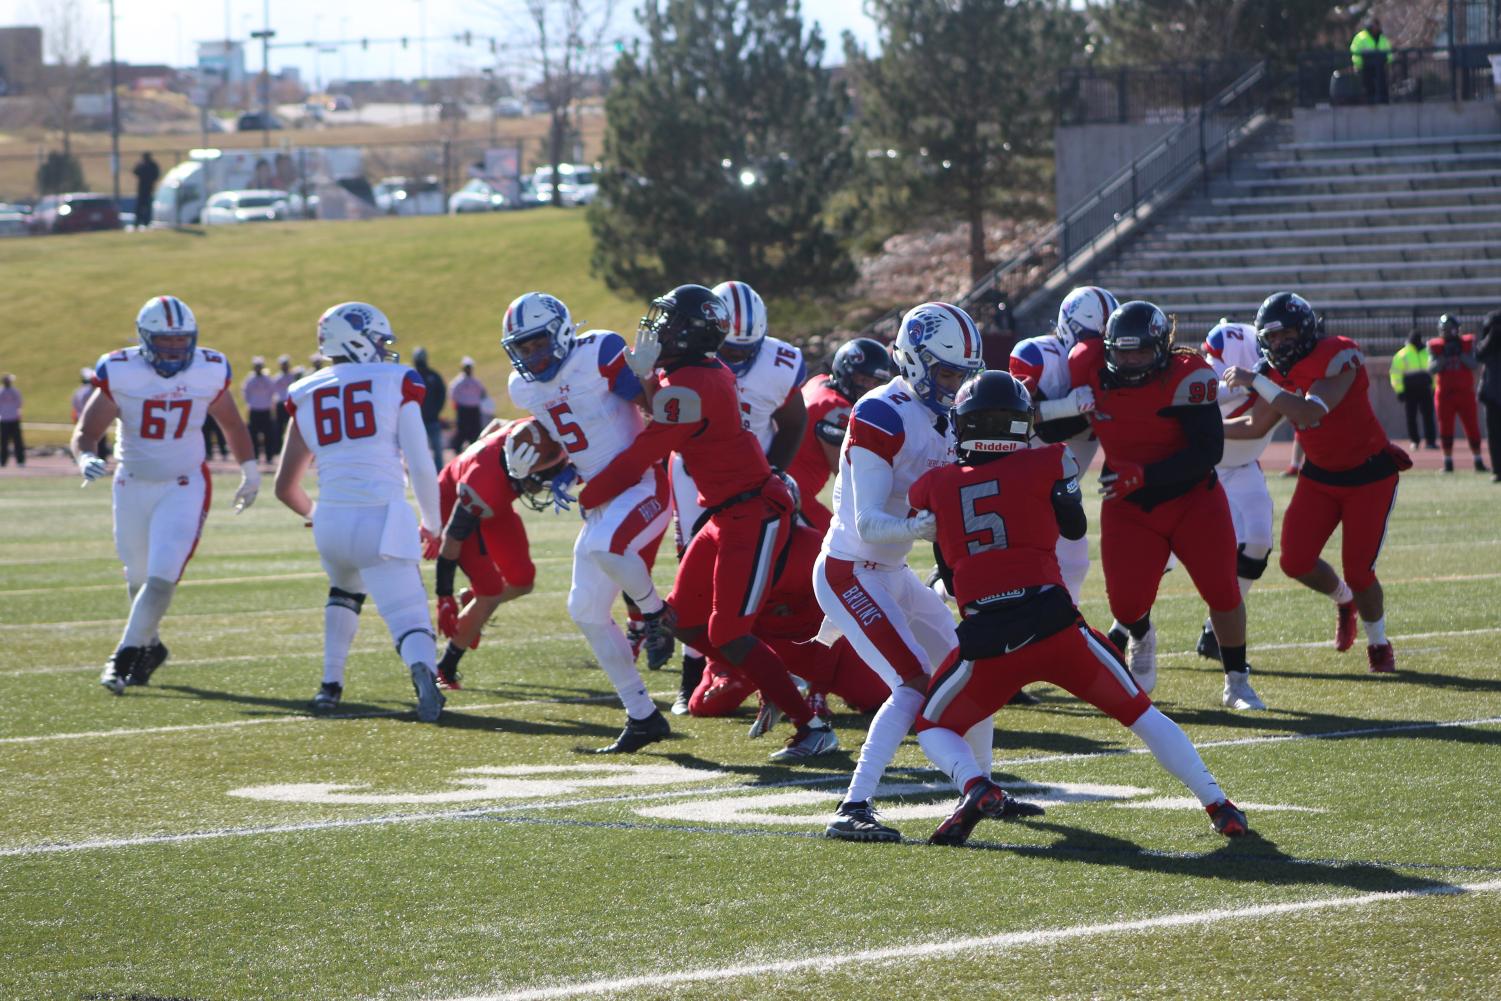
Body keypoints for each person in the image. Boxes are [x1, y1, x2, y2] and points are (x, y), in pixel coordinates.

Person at [909, 371, 1247, 846]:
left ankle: (974, 784)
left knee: (931, 725)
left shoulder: (933, 484)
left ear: (962, 424)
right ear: (1020, 423)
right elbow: (1072, 526)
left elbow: (945, 561)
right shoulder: (1050, 460)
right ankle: (1218, 803)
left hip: (987, 636)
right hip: (1053, 626)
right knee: (1142, 715)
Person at [578, 284, 837, 762]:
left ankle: (812, 725)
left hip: (752, 514)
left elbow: (644, 452)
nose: (656, 329)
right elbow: (667, 412)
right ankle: (775, 683)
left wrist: (590, 493)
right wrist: (650, 379)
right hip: (724, 512)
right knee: (682, 619)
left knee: (728, 633)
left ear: (689, 333)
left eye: (668, 322)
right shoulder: (693, 373)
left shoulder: (693, 384)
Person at [815, 301, 985, 843]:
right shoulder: (880, 411)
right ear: (914, 361)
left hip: (891, 572)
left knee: (970, 670)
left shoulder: (948, 413)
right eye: (945, 371)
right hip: (850, 569)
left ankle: (983, 789)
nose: (955, 383)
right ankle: (853, 804)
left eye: (963, 373)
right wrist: (930, 526)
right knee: (912, 684)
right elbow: (867, 522)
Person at [502, 290, 679, 754]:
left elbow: (653, 411)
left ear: (561, 333)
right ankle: (642, 715)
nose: (533, 356)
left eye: (538, 343)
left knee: (606, 548)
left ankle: (657, 615)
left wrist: (646, 377)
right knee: (584, 609)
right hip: (600, 498)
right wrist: (534, 465)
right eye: (523, 348)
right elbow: (566, 439)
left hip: (642, 483)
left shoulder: (596, 351)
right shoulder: (523, 388)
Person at [1069, 301, 1263, 711]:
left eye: (1140, 351)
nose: (1131, 359)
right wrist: (1065, 404)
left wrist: (1146, 474)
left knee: (1223, 592)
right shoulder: (1088, 367)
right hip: (1127, 505)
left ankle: (1237, 681)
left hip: (1193, 499)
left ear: (1160, 347)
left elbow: (1208, 450)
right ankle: (1141, 632)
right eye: (1122, 351)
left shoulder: (1188, 375)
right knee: (1125, 604)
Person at [72, 295, 260, 694]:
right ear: (145, 339)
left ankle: (120, 659)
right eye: (166, 340)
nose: (175, 348)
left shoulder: (209, 370)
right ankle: (151, 646)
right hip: (131, 483)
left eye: (182, 340)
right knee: (137, 580)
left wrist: (249, 470)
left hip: (184, 484)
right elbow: (87, 432)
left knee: (160, 580)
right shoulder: (122, 371)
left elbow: (232, 424)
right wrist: (85, 456)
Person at [274, 302, 446, 721]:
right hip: (382, 517)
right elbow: (421, 463)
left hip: (331, 519)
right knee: (409, 616)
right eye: (378, 340)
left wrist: (315, 514)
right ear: (357, 338)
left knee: (344, 591)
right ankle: (422, 669)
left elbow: (285, 486)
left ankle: (330, 685)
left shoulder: (305, 390)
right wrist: (433, 524)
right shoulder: (395, 379)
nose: (384, 348)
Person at [1225, 292, 1406, 674]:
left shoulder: (1338, 355)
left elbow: (1309, 411)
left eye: (1284, 334)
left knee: (1360, 571)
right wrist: (1201, 428)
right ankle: (1344, 601)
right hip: (1320, 477)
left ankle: (1378, 642)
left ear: (1304, 330)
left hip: (1368, 475)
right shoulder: (1273, 373)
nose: (1278, 344)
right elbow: (1255, 424)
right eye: (1270, 338)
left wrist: (1258, 381)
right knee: (1295, 561)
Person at [667, 280, 808, 715]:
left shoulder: (778, 363)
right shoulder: (688, 366)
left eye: (747, 351)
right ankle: (697, 675)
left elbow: (793, 421)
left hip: (751, 485)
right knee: (690, 580)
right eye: (729, 350)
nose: (737, 359)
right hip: (697, 475)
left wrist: (775, 471)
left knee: (748, 582)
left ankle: (771, 668)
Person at [686, 523, 890, 720]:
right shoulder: (731, 546)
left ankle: (816, 691)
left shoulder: (811, 546)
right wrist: (722, 669)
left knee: (879, 697)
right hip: (756, 649)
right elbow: (720, 622)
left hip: (810, 647)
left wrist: (818, 689)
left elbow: (833, 620)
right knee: (705, 706)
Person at [428, 417, 567, 690]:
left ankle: (473, 602)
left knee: (522, 580)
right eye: (546, 477)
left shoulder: (529, 432)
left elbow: (496, 424)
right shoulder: (482, 487)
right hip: (454, 501)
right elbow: (451, 543)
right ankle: (444, 668)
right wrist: (443, 594)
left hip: (496, 498)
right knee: (490, 592)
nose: (550, 481)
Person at [1010, 285, 1118, 602]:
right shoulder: (1038, 356)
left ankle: (1066, 626)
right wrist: (1065, 406)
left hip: (1062, 485)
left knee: (1075, 562)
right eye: (1091, 340)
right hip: (1019, 481)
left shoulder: (1119, 364)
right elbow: (1009, 421)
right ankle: (941, 587)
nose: (1099, 351)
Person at [1197, 319, 1281, 662]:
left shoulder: (1272, 373)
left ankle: (1212, 632)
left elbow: (1256, 421)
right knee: (1169, 559)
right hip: (1206, 468)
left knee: (1259, 542)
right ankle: (1126, 630)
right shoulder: (1222, 354)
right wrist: (1242, 387)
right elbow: (1203, 394)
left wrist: (1253, 384)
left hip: (1244, 466)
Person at [787, 337, 895, 533]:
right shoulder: (837, 410)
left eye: (875, 382)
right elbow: (848, 475)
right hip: (794, 493)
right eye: (863, 379)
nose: (869, 387)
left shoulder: (818, 381)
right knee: (834, 546)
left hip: (784, 484)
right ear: (845, 373)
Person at [1428, 314, 1487, 473]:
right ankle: (1448, 462)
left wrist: (1460, 353)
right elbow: (1432, 368)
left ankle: (1478, 460)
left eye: (1449, 329)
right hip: (1445, 394)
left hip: (1464, 393)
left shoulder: (1466, 343)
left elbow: (1474, 364)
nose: (1447, 333)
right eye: (1444, 330)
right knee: (1445, 428)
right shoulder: (1436, 346)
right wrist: (1444, 357)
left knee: (1472, 427)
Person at [1389, 329, 1437, 451]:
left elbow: (1434, 373)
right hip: (1410, 390)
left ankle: (1430, 441)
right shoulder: (1402, 354)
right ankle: (1414, 441)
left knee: (1428, 416)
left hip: (1425, 389)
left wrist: (1434, 387)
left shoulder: (1427, 353)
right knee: (1411, 416)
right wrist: (1400, 390)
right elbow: (1395, 374)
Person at [411, 346, 447, 470]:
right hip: (416, 421)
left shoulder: (433, 376)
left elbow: (441, 394)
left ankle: (439, 474)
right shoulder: (411, 377)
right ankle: (421, 471)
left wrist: (435, 411)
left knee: (437, 450)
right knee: (419, 450)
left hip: (432, 420)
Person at [242, 356, 279, 464]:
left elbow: (273, 392)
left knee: (268, 435)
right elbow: (246, 393)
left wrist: (268, 403)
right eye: (256, 366)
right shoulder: (250, 379)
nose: (258, 368)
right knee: (253, 435)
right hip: (254, 410)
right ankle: (255, 456)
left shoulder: (267, 379)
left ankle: (269, 456)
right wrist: (251, 403)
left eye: (259, 366)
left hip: (265, 410)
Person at [448, 356, 487, 454]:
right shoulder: (459, 381)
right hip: (463, 409)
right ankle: (457, 449)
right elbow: (453, 393)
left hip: (474, 409)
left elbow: (483, 393)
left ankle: (475, 451)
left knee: (475, 432)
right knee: (462, 431)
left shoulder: (475, 381)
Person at [1479, 310, 1501, 483]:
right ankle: (1497, 469)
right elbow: (1478, 354)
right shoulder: (1489, 344)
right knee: (1493, 435)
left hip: (1491, 392)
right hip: (1491, 394)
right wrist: (1492, 336)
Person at [71, 367, 110, 459]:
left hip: (80, 419)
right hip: (94, 419)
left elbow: (75, 407)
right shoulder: (92, 391)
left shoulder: (78, 391)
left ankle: (79, 458)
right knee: (97, 443)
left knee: (80, 440)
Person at [1351, 16, 1392, 105]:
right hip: (1365, 67)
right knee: (1368, 88)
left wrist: (1388, 63)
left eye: (1377, 26)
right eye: (1374, 26)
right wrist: (1358, 66)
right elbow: (1355, 52)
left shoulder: (1382, 38)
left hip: (1380, 67)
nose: (1376, 28)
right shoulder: (1361, 37)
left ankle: (1383, 102)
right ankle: (1370, 103)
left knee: (1382, 87)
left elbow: (1388, 52)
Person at [272, 355, 298, 448]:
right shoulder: (277, 377)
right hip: (280, 403)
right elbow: (273, 392)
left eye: (286, 364)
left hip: (290, 402)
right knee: (279, 426)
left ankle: (291, 446)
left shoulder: (293, 376)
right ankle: (278, 447)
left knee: (292, 425)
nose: (285, 366)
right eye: (283, 364)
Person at [0, 373, 23, 466]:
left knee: (9, 441)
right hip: (10, 418)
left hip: (7, 419)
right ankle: (18, 461)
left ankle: (5, 461)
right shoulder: (14, 392)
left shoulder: (6, 392)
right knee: (12, 441)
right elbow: (19, 403)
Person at [132, 152, 160, 229]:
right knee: (140, 207)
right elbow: (135, 172)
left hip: (148, 189)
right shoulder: (143, 165)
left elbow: (156, 175)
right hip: (142, 189)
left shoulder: (152, 165)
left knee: (146, 206)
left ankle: (146, 222)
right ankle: (138, 222)